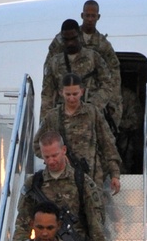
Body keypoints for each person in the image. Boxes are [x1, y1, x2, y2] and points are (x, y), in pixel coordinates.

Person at [13, 132, 112, 241]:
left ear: (64, 150)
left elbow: (94, 222)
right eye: (47, 157)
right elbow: (23, 224)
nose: (51, 161)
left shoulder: (81, 181)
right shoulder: (34, 183)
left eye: (55, 155)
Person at [37, 73, 122, 203]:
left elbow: (108, 143)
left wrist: (115, 174)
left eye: (75, 94)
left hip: (92, 177)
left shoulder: (92, 113)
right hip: (61, 180)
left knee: (95, 216)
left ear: (82, 92)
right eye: (68, 94)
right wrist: (54, 157)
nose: (71, 98)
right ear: (61, 93)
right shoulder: (53, 117)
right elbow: (37, 145)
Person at [46, 4, 123, 125]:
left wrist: (101, 105)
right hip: (64, 104)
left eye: (93, 16)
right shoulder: (64, 37)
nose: (90, 19)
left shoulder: (102, 45)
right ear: (82, 16)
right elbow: (49, 73)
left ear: (98, 17)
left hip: (91, 103)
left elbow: (112, 76)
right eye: (87, 15)